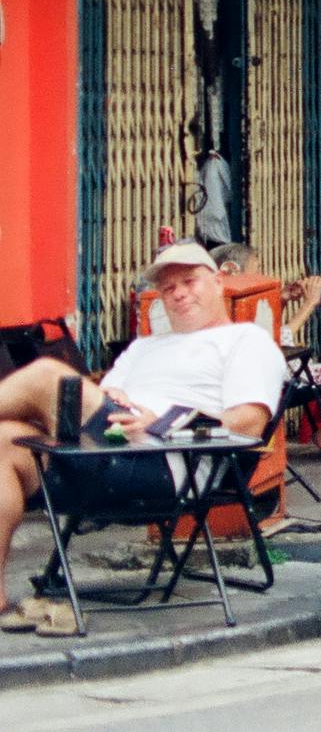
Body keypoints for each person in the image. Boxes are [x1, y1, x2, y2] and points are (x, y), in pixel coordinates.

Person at [0, 245, 287, 634]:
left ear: (218, 282)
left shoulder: (246, 341)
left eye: (190, 282)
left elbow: (248, 424)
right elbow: (102, 404)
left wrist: (164, 424)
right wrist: (113, 398)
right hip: (106, 453)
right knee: (5, 441)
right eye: (168, 289)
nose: (180, 293)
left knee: (49, 374)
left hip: (164, 467)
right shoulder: (143, 346)